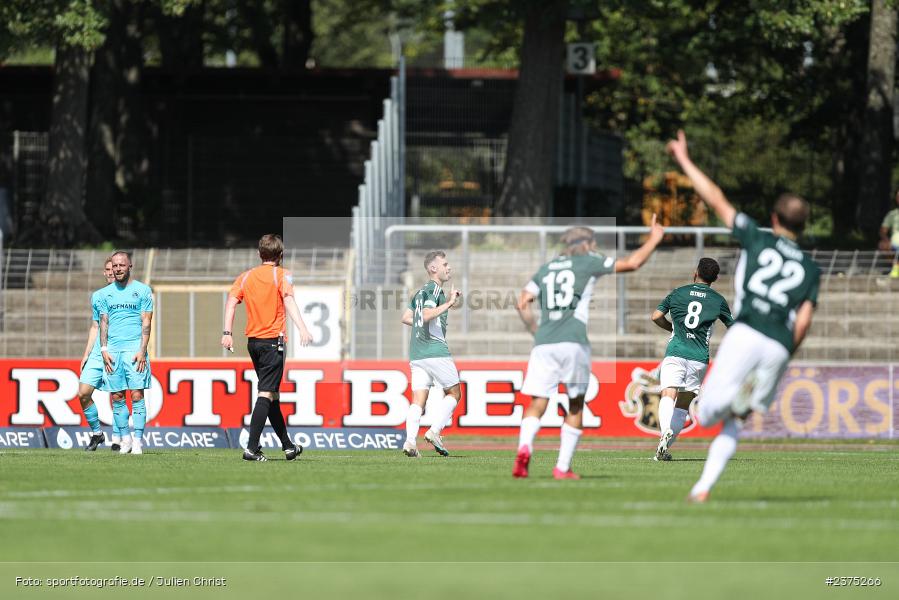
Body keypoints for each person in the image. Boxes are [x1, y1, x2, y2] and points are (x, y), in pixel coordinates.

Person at [667, 130, 820, 502]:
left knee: (705, 415)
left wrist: (685, 160)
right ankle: (702, 488)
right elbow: (803, 322)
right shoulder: (812, 269)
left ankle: (724, 406)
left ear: (774, 217)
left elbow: (716, 198)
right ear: (803, 227)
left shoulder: (758, 238)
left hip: (749, 330)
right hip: (779, 345)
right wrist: (786, 353)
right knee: (737, 420)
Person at [513, 217, 665, 479]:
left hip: (544, 343)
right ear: (584, 244)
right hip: (573, 341)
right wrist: (655, 238)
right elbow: (633, 263)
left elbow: (522, 302)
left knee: (537, 402)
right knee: (575, 404)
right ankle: (562, 467)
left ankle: (525, 447)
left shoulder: (547, 268)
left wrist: (536, 331)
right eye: (592, 242)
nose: (595, 246)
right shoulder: (588, 261)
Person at [222, 234, 313, 462]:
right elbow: (289, 301)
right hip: (274, 342)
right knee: (266, 393)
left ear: (259, 254)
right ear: (280, 255)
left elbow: (231, 302)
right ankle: (251, 448)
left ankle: (288, 446)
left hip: (254, 343)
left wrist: (227, 333)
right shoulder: (282, 275)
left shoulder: (246, 277)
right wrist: (302, 327)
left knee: (272, 394)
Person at [650, 257, 733, 461]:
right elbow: (734, 326)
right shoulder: (718, 300)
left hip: (676, 351)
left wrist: (671, 327)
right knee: (682, 405)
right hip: (699, 358)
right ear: (715, 278)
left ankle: (664, 432)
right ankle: (664, 448)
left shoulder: (678, 293)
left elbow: (656, 316)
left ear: (695, 272)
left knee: (668, 395)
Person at [400, 251, 463, 458]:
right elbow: (426, 315)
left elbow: (407, 317)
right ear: (433, 269)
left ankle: (410, 442)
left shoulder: (420, 292)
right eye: (445, 264)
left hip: (417, 353)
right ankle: (434, 431)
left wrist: (427, 319)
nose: (449, 267)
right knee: (454, 393)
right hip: (435, 350)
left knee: (419, 399)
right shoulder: (435, 290)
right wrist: (449, 304)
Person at [99, 251, 155, 455]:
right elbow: (103, 322)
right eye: (114, 266)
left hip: (134, 351)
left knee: (137, 394)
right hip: (113, 352)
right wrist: (104, 349)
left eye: (121, 265)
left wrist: (142, 350)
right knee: (117, 397)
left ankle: (138, 440)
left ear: (129, 266)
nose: (118, 269)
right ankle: (125, 439)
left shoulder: (143, 291)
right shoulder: (103, 295)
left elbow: (146, 322)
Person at [78, 257, 121, 451]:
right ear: (104, 272)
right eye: (107, 269)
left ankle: (120, 438)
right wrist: (86, 353)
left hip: (117, 350)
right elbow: (95, 326)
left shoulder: (129, 294)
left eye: (114, 268)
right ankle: (97, 433)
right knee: (83, 393)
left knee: (118, 395)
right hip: (97, 352)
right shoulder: (97, 296)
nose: (111, 272)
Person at [878, 190, 899, 278]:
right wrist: (886, 240)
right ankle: (896, 267)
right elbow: (883, 231)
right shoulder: (892, 214)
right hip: (895, 243)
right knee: (883, 245)